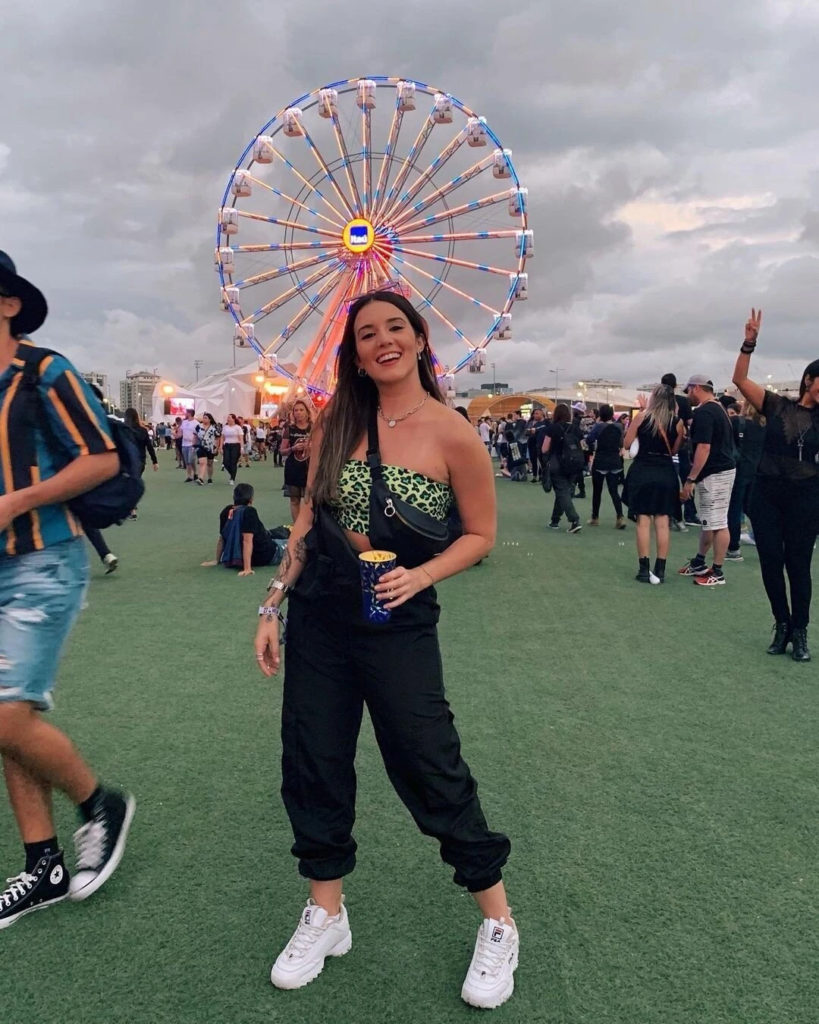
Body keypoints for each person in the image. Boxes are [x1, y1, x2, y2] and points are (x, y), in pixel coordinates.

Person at [253, 290, 516, 1009]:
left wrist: (420, 575)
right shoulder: (339, 420)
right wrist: (272, 602)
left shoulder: (452, 432)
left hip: (399, 623)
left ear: (418, 337)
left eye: (394, 328)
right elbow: (308, 517)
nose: (381, 341)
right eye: (366, 334)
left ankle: (497, 921)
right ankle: (326, 912)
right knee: (313, 758)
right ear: (355, 351)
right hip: (320, 618)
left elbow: (480, 534)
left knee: (428, 760)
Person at [0, 251, 135, 929]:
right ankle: (42, 864)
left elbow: (103, 457)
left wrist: (16, 501)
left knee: (3, 715)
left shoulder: (45, 372)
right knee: (7, 722)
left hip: (41, 560)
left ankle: (99, 803)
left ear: (8, 304)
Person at [732, 309, 819, 662]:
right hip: (767, 493)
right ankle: (781, 624)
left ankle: (800, 631)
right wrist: (749, 341)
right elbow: (739, 378)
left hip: (806, 497)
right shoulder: (776, 404)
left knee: (798, 564)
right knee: (770, 561)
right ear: (810, 379)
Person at [677, 375, 737, 587]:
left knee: (718, 522)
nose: (687, 396)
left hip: (715, 472)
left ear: (695, 388)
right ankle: (700, 562)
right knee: (711, 521)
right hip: (721, 470)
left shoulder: (704, 412)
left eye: (688, 391)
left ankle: (718, 571)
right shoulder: (719, 408)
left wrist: (691, 478)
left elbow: (704, 447)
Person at [622, 386, 685, 583]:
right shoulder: (677, 422)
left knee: (643, 521)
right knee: (663, 522)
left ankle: (643, 568)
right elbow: (674, 450)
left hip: (643, 470)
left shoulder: (642, 417)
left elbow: (626, 443)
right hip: (665, 472)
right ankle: (661, 568)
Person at [201, 483, 282, 575]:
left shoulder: (226, 511)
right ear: (251, 499)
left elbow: (222, 538)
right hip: (266, 554)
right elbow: (247, 540)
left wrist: (217, 560)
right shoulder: (249, 512)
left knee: (279, 532)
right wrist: (247, 568)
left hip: (261, 544)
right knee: (293, 543)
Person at [661, 373, 697, 528]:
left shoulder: (659, 402)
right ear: (675, 386)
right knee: (686, 478)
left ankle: (668, 514)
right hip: (681, 444)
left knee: (667, 481)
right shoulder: (682, 401)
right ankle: (689, 513)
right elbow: (691, 422)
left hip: (662, 445)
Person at [542, 403, 583, 533]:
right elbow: (582, 447)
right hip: (573, 464)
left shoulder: (552, 428)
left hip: (557, 463)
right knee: (564, 492)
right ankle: (555, 520)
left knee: (562, 492)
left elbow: (544, 448)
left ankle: (574, 520)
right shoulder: (575, 428)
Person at [585, 404, 626, 528]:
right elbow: (621, 443)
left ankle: (595, 517)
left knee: (597, 491)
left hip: (601, 460)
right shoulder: (619, 426)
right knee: (614, 491)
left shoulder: (598, 426)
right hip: (614, 460)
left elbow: (589, 440)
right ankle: (620, 517)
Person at [281, 399, 313, 525]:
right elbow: (282, 451)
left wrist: (311, 447)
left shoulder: (314, 427)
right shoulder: (290, 429)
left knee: (309, 499)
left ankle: (308, 526)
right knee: (294, 500)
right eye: (296, 410)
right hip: (293, 467)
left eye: (301, 410)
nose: (298, 413)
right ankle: (297, 526)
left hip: (310, 468)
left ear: (307, 412)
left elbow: (323, 447)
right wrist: (293, 448)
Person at [122, 407, 158, 519]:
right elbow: (149, 446)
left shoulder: (124, 430)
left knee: (128, 484)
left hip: (127, 460)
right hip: (140, 461)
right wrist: (154, 461)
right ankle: (131, 507)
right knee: (133, 482)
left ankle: (131, 510)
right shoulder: (143, 430)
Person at [195, 412, 219, 485]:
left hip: (210, 447)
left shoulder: (214, 427)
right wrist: (193, 445)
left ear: (210, 419)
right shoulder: (198, 426)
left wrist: (217, 447)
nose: (204, 419)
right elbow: (195, 435)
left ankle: (210, 478)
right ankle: (201, 478)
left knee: (210, 463)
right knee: (203, 462)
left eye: (206, 418)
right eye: (203, 417)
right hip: (200, 446)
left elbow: (218, 437)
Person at [221, 413, 243, 485]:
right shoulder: (225, 427)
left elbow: (241, 438)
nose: (228, 419)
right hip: (227, 445)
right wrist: (220, 447)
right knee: (225, 462)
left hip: (235, 446)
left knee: (233, 462)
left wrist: (241, 448)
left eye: (229, 417)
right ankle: (232, 473)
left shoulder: (238, 427)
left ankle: (232, 478)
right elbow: (222, 438)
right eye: (227, 417)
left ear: (233, 419)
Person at [180, 408, 199, 482]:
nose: (185, 414)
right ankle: (189, 476)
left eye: (186, 413)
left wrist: (195, 442)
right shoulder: (184, 422)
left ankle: (195, 473)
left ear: (190, 414)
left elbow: (197, 434)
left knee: (191, 460)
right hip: (184, 444)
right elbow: (181, 431)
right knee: (187, 461)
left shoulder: (196, 423)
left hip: (192, 444)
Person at [526, 409, 545, 481]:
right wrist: (528, 431)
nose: (535, 415)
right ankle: (535, 476)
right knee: (533, 460)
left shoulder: (546, 423)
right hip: (532, 444)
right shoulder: (534, 424)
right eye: (534, 414)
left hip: (542, 445)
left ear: (542, 414)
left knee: (542, 461)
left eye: (537, 414)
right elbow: (528, 433)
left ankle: (541, 475)